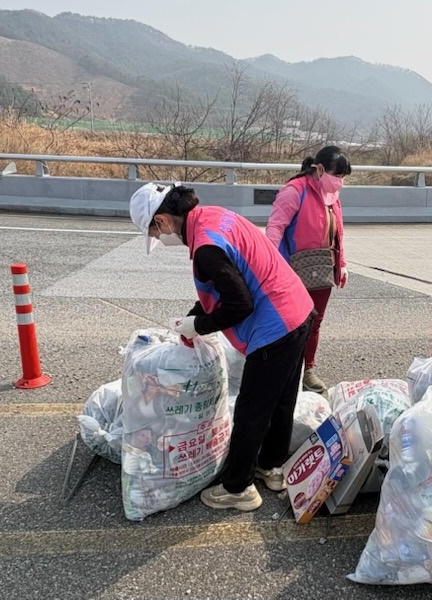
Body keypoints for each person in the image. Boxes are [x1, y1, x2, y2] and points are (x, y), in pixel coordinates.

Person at [129, 182, 314, 512]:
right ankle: (272, 467)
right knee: (281, 400)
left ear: (163, 221)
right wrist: (193, 317)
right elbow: (227, 284)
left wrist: (199, 325)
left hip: (275, 326)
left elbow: (239, 303)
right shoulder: (214, 217)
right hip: (298, 311)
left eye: (155, 233)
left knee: (251, 410)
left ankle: (238, 488)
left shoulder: (205, 248)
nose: (160, 238)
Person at [266, 145, 352, 395]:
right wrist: (269, 264)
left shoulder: (331, 196)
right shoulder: (295, 191)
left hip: (323, 268)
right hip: (293, 270)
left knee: (314, 323)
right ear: (320, 169)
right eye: (337, 175)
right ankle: (286, 371)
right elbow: (275, 228)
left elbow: (338, 232)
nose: (340, 182)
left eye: (343, 177)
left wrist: (342, 264)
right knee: (292, 323)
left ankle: (308, 370)